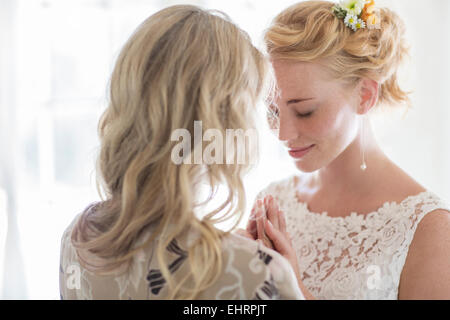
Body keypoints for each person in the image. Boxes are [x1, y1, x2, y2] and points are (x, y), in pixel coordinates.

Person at [59, 5, 305, 300]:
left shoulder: (78, 240)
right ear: (225, 121)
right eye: (253, 107)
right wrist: (262, 267)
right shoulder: (259, 274)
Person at [245, 0, 450, 300]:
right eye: (273, 111)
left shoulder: (429, 229)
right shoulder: (272, 201)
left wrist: (294, 290)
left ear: (365, 95)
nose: (282, 134)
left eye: (305, 111)